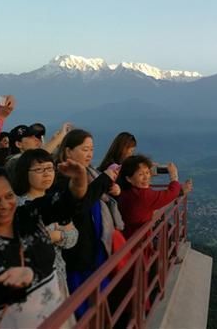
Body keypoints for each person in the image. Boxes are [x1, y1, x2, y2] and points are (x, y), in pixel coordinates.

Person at [0, 161, 111, 327]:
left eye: (9, 196)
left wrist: (78, 182)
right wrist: (23, 278)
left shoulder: (27, 215)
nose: (4, 205)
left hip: (53, 316)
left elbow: (66, 204)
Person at [54, 129, 122, 318]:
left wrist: (111, 189)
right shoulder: (62, 178)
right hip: (78, 256)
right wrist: (105, 179)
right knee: (84, 309)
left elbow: (94, 198)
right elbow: (81, 204)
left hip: (95, 250)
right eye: (85, 149)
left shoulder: (90, 172)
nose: (90, 154)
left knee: (99, 303)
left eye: (91, 149)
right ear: (68, 152)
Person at [14, 148, 79, 317]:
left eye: (50, 168)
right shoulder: (17, 205)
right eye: (39, 170)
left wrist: (57, 235)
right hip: (32, 283)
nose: (47, 174)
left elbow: (73, 237)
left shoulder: (55, 200)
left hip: (58, 274)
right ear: (24, 173)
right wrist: (57, 234)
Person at [117, 154, 193, 240]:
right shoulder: (143, 196)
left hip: (127, 236)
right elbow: (171, 193)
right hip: (139, 244)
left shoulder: (125, 190)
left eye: (147, 172)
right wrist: (174, 176)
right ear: (129, 179)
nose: (146, 177)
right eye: (140, 174)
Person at [5, 122, 72, 179]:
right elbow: (37, 157)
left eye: (36, 136)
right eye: (30, 137)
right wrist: (60, 136)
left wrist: (54, 141)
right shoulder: (13, 161)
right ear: (19, 144)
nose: (36, 139)